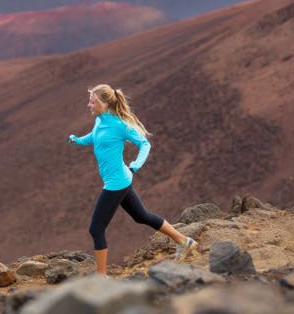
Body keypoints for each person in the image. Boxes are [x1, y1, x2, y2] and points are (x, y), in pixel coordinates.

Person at [69, 84, 198, 277]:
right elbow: (95, 137)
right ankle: (184, 241)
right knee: (142, 216)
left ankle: (101, 277)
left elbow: (144, 143)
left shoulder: (120, 125)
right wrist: (79, 140)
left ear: (104, 103)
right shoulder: (99, 121)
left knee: (96, 229)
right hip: (120, 180)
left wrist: (136, 164)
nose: (89, 105)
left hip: (116, 184)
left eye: (93, 102)